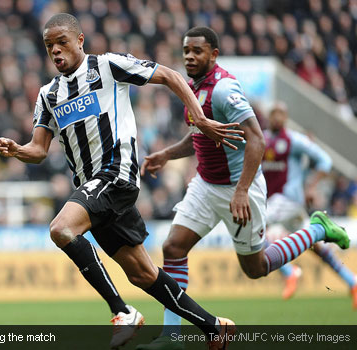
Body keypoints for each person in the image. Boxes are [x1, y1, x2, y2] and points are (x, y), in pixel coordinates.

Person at [0, 14, 243, 350]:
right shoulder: (48, 95)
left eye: (61, 41)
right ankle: (213, 327)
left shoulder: (108, 66)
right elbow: (38, 150)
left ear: (80, 40)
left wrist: (198, 117)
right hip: (93, 191)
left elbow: (168, 75)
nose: (55, 50)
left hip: (116, 175)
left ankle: (122, 312)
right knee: (142, 273)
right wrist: (17, 150)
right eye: (49, 45)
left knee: (61, 229)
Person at [138, 26, 350, 350]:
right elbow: (200, 134)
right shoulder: (193, 88)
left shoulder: (224, 89)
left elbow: (257, 139)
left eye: (197, 51)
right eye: (186, 51)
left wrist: (241, 190)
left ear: (214, 54)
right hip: (207, 185)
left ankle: (317, 230)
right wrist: (168, 153)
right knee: (173, 248)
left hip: (240, 189)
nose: (190, 57)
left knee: (256, 267)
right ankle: (172, 337)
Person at [263, 102, 357, 306]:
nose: (277, 117)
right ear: (268, 116)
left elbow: (325, 160)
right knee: (315, 247)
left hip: (288, 200)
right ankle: (353, 282)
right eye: (273, 113)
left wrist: (311, 186)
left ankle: (290, 272)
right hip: (275, 203)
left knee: (252, 229)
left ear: (286, 117)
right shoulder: (261, 139)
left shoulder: (295, 140)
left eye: (281, 113)